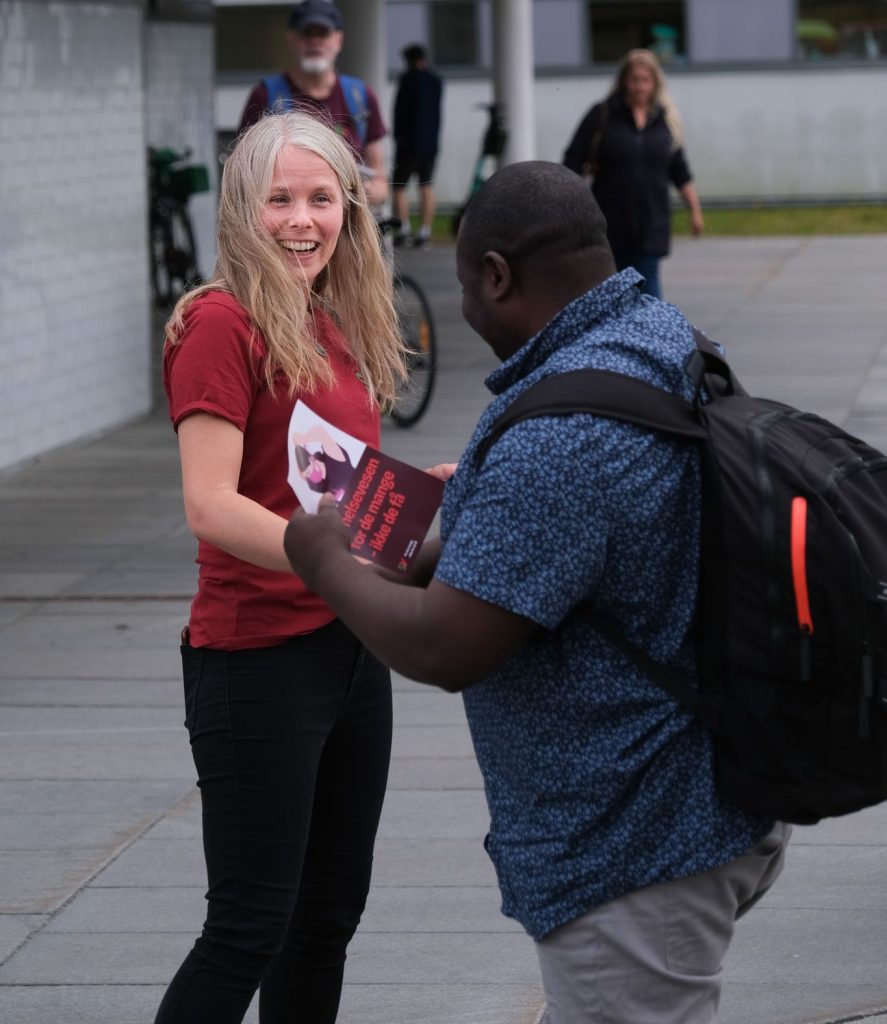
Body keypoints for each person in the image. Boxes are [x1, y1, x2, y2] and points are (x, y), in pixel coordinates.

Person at [282, 161, 791, 1024]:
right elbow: (596, 546)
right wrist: (445, 546)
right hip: (709, 793)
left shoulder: (560, 431)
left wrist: (323, 555)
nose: (468, 313)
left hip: (637, 842)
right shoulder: (661, 340)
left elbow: (446, 647)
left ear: (495, 275)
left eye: (465, 290)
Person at [153, 111, 406, 1024]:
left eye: (321, 198)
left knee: (326, 919)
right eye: (279, 200)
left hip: (350, 648)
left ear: (350, 207)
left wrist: (412, 503)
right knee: (249, 927)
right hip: (255, 658)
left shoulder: (333, 318)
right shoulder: (221, 323)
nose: (302, 220)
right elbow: (212, 503)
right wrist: (331, 561)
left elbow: (331, 487)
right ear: (241, 210)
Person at [563, 47, 704, 299]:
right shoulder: (603, 114)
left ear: (655, 83)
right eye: (634, 80)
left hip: (651, 222)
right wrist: (570, 205)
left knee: (649, 290)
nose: (640, 87)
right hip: (608, 222)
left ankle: (651, 338)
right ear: (624, 81)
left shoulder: (665, 121)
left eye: (645, 80)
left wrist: (694, 210)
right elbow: (573, 159)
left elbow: (680, 171)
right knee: (611, 290)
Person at [238, 0, 388, 206]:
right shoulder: (265, 96)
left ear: (338, 39)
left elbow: (380, 183)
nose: (314, 41)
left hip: (348, 229)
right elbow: (242, 176)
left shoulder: (361, 97)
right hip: (285, 227)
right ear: (291, 38)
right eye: (307, 33)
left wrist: (360, 192)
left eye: (323, 33)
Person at [390, 43, 443, 249]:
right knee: (426, 186)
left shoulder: (408, 79)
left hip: (408, 143)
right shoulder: (436, 80)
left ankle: (403, 230)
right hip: (430, 143)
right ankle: (424, 233)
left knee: (399, 187)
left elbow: (400, 112)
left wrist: (398, 135)